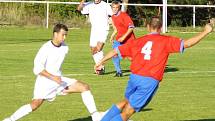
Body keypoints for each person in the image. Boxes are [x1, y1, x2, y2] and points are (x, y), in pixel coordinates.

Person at [95, 17, 213, 121]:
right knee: (128, 112)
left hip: (134, 78)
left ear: (147, 27)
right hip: (149, 81)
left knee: (124, 102)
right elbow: (187, 43)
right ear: (161, 28)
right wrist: (205, 32)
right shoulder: (166, 41)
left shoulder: (138, 41)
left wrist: (100, 62)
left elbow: (115, 51)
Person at [3, 24, 101, 121]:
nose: (65, 37)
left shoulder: (65, 47)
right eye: (63, 35)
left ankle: (95, 116)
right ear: (55, 34)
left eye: (66, 35)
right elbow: (37, 69)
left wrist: (57, 78)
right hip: (45, 82)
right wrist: (53, 77)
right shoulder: (45, 48)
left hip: (59, 81)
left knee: (84, 87)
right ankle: (10, 119)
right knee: (35, 105)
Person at [77, 0, 113, 75]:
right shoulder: (89, 4)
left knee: (98, 48)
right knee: (93, 50)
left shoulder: (105, 5)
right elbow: (79, 9)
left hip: (104, 29)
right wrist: (83, 1)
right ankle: (100, 67)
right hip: (94, 30)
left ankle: (100, 66)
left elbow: (113, 14)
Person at [109, 0, 135, 77]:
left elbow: (131, 27)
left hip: (129, 39)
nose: (115, 9)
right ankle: (119, 72)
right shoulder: (113, 17)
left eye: (117, 7)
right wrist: (112, 36)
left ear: (119, 7)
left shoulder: (124, 16)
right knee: (114, 54)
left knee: (130, 58)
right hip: (119, 39)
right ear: (111, 7)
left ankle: (144, 69)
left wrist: (124, 37)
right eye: (113, 7)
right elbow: (116, 29)